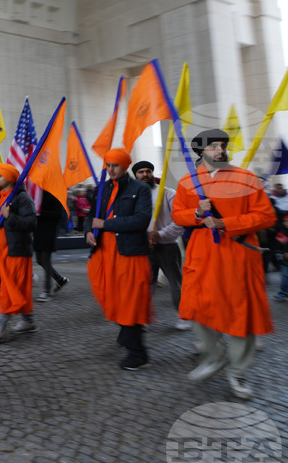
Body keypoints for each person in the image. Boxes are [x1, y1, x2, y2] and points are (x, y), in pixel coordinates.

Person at [171, 129, 275, 400]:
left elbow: (265, 216)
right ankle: (215, 356)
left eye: (222, 146)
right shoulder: (187, 182)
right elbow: (179, 215)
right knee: (197, 308)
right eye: (213, 146)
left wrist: (225, 223)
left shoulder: (247, 177)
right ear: (201, 151)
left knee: (242, 315)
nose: (220, 150)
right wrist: (196, 213)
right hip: (202, 256)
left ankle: (238, 372)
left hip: (238, 257)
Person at [85, 149, 153, 370]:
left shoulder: (140, 189)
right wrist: (88, 231)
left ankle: (137, 352)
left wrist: (106, 225)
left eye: (115, 165)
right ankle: (126, 332)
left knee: (130, 300)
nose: (111, 169)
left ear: (125, 166)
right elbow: (91, 217)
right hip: (104, 253)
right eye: (108, 165)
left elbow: (141, 220)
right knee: (108, 294)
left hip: (129, 253)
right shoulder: (101, 189)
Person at [0, 163, 37, 341]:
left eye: (0, 175)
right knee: (10, 285)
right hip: (1, 250)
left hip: (17, 249)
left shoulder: (22, 198)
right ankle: (28, 320)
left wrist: (9, 216)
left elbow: (31, 223)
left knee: (10, 287)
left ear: (10, 178)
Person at [131, 160, 188, 329]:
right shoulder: (132, 196)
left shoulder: (167, 193)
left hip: (167, 246)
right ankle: (143, 316)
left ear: (152, 173)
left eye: (148, 171)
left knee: (175, 282)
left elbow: (180, 221)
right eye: (140, 172)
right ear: (135, 175)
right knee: (145, 283)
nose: (144, 175)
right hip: (143, 247)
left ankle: (184, 316)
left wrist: (161, 234)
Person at [33, 191, 70, 302]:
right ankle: (59, 279)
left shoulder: (53, 193)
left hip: (48, 230)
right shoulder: (37, 193)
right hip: (38, 230)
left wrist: (40, 212)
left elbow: (58, 214)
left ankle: (46, 290)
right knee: (40, 260)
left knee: (45, 259)